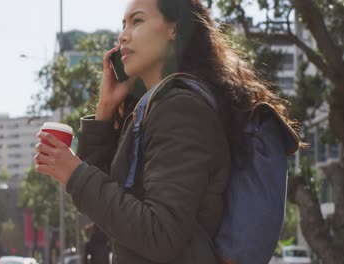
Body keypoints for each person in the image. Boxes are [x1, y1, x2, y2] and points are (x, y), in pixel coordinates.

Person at [34, 0, 301, 263]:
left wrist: (73, 173)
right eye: (123, 24)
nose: (123, 36)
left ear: (174, 28)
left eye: (137, 21)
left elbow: (160, 235)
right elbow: (101, 214)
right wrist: (105, 110)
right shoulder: (152, 108)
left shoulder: (181, 108)